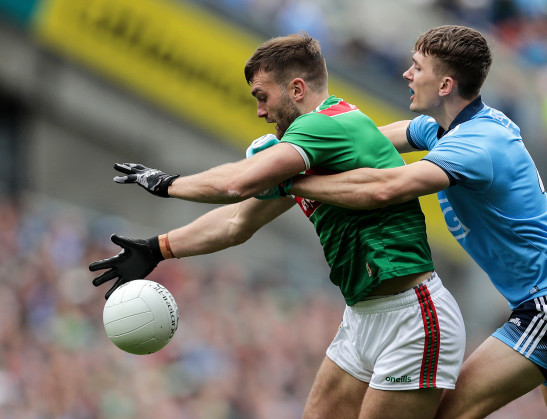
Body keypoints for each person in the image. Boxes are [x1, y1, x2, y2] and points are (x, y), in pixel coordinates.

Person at [89, 33, 466, 418]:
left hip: (412, 318)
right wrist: (159, 247)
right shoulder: (312, 153)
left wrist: (167, 183)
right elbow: (238, 221)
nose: (260, 112)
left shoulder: (326, 126)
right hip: (363, 317)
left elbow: (238, 183)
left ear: (297, 89)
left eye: (261, 96)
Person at [263, 25, 547, 418]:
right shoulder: (448, 129)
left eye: (416, 67)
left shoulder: (474, 145)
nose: (406, 74)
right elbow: (369, 142)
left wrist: (292, 181)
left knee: (444, 414)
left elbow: (384, 188)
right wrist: (299, 152)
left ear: (445, 84)